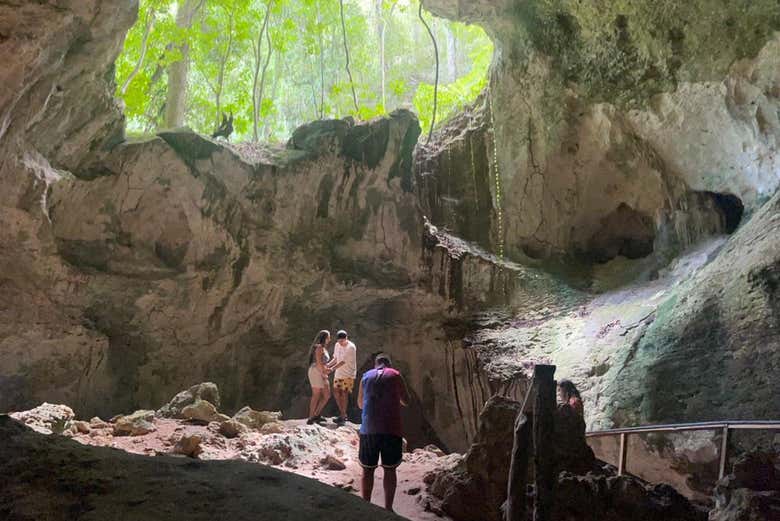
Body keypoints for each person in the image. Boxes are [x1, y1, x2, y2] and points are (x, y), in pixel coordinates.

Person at [357, 353, 410, 512]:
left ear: (376, 364)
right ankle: (388, 508)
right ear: (389, 364)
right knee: (390, 468)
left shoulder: (365, 376)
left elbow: (360, 404)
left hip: (369, 429)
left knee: (367, 469)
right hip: (391, 428)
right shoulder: (396, 375)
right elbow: (406, 400)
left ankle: (365, 506)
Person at [327, 330, 357, 425]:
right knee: (336, 392)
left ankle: (343, 415)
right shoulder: (337, 345)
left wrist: (331, 369)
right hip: (339, 373)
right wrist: (328, 365)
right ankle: (343, 414)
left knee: (344, 393)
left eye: (342, 341)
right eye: (339, 341)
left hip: (348, 373)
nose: (341, 343)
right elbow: (336, 358)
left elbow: (343, 361)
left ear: (346, 338)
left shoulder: (351, 347)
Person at [307, 330, 332, 425]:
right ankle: (310, 417)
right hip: (316, 371)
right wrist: (324, 372)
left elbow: (324, 363)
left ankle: (316, 414)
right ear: (325, 338)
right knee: (316, 394)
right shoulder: (319, 348)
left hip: (322, 371)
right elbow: (318, 362)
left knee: (327, 395)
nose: (330, 339)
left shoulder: (323, 348)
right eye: (328, 337)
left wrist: (327, 368)